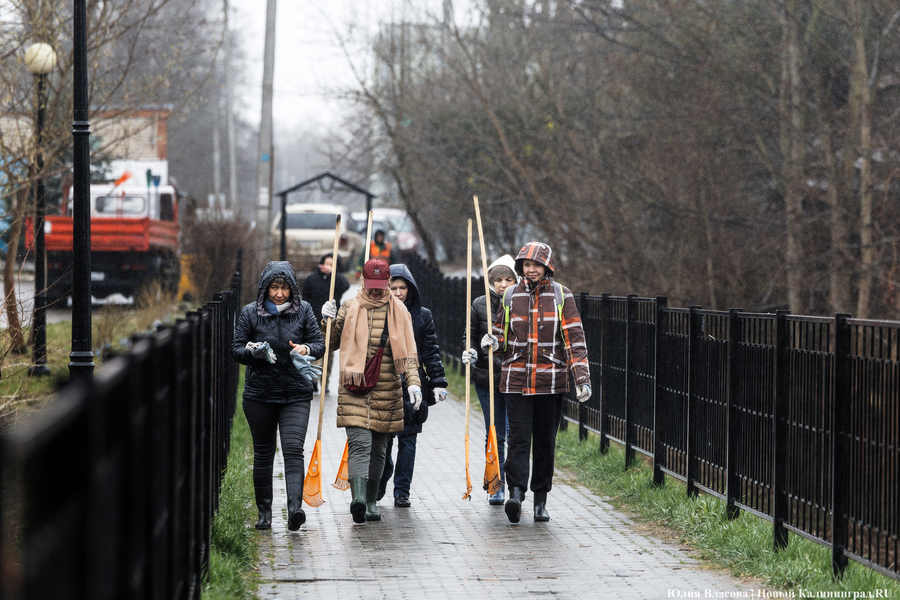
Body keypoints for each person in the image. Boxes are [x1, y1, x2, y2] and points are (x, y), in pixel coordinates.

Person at [480, 242, 592, 523]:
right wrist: (492, 342)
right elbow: (501, 335)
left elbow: (574, 340)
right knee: (518, 440)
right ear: (520, 268)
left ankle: (540, 501)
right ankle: (516, 494)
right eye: (526, 265)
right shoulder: (510, 296)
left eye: (537, 265)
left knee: (545, 443)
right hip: (516, 379)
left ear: (547, 267)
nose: (531, 270)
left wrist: (582, 378)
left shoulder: (560, 295)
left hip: (551, 382)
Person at [320, 258, 422, 523]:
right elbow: (328, 344)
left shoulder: (399, 311)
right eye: (371, 284)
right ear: (363, 281)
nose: (376, 290)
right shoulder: (349, 307)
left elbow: (409, 353)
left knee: (379, 449)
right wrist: (326, 320)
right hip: (354, 388)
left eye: (381, 285)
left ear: (387, 282)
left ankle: (371, 502)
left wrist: (413, 383)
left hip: (387, 390)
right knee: (360, 445)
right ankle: (358, 500)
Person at [232, 261, 325, 531]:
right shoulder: (250, 313)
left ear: (293, 288)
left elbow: (319, 343)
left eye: (285, 288)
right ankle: (264, 513)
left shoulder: (304, 310)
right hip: (260, 395)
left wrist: (306, 349)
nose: (280, 293)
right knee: (263, 454)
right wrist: (253, 353)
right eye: (274, 287)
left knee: (294, 451)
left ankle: (295, 509)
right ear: (265, 288)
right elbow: (236, 349)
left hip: (296, 392)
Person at [377, 264, 448, 507]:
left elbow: (431, 352)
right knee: (384, 442)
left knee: (408, 441)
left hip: (413, 384)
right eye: (393, 287)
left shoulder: (422, 316)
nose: (398, 292)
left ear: (410, 289)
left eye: (402, 287)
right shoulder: (378, 314)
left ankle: (402, 491)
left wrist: (438, 382)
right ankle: (383, 476)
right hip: (385, 384)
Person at [461, 254, 517, 506]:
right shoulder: (479, 304)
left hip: (514, 377)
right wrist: (472, 351)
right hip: (487, 378)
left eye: (508, 279)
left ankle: (513, 483)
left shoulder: (522, 303)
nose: (503, 285)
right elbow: (469, 336)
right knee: (494, 431)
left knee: (512, 431)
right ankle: (495, 484)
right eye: (498, 280)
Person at [302, 252, 350, 392]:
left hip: (331, 321)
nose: (327, 267)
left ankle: (325, 381)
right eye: (326, 263)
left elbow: (345, 285)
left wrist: (333, 274)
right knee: (315, 351)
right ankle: (313, 379)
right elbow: (305, 297)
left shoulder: (337, 280)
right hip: (314, 320)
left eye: (332, 265)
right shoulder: (312, 279)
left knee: (329, 353)